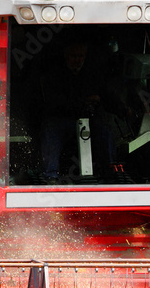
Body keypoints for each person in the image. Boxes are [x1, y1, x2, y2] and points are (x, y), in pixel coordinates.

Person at [39, 37, 117, 181]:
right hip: (63, 118)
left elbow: (107, 96)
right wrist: (83, 101)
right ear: (66, 56)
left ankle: (110, 172)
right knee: (51, 130)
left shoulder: (91, 74)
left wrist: (125, 111)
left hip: (88, 119)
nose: (77, 60)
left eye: (81, 56)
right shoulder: (55, 75)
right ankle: (51, 174)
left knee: (105, 131)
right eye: (74, 56)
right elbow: (54, 102)